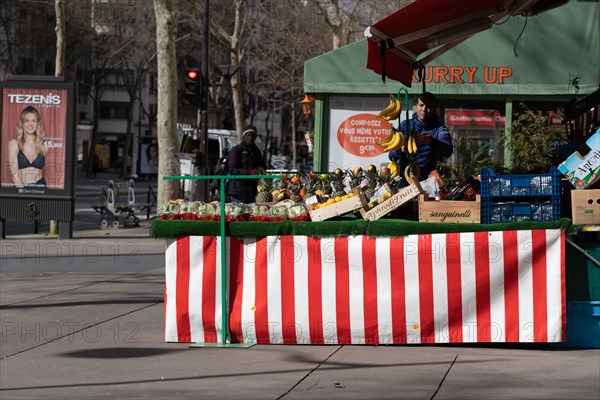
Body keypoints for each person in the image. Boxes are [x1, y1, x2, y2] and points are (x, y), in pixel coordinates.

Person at [389, 92, 453, 181]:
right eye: (421, 105)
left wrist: (432, 141)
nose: (424, 109)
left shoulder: (440, 129)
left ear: (434, 109)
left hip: (428, 181)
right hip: (404, 179)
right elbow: (391, 155)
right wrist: (400, 150)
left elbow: (448, 151)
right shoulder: (404, 125)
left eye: (429, 107)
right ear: (417, 106)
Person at [7, 106, 48, 188]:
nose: (30, 124)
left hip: (41, 186)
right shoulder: (14, 143)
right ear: (22, 123)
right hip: (21, 186)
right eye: (27, 121)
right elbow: (14, 176)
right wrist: (23, 192)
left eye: (34, 121)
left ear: (38, 124)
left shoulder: (44, 145)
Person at [227, 125, 266, 203]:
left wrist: (260, 170)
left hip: (253, 191)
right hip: (238, 191)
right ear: (244, 136)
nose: (250, 138)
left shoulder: (257, 151)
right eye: (248, 135)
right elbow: (233, 170)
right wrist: (249, 172)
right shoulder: (236, 150)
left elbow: (263, 166)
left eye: (253, 135)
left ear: (255, 137)